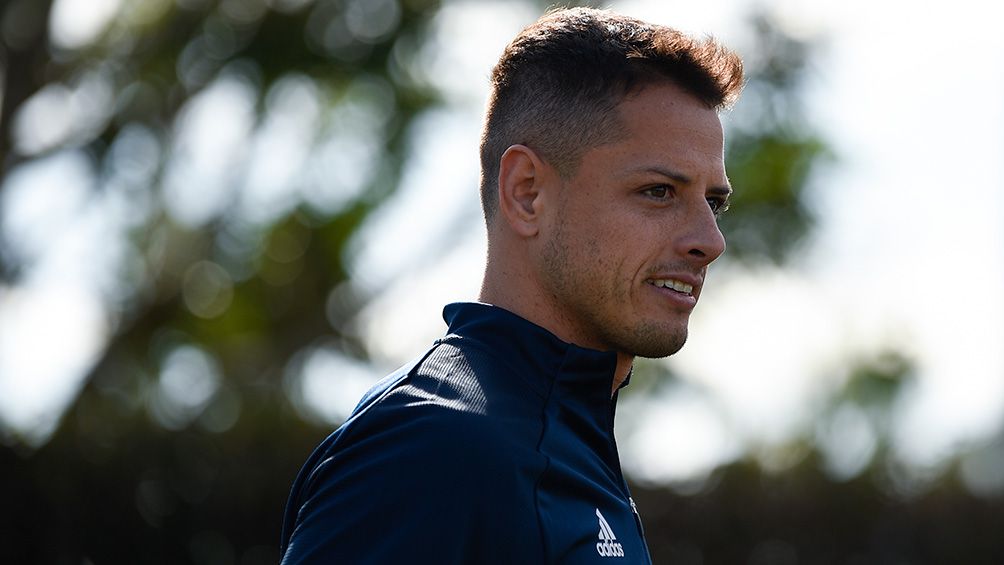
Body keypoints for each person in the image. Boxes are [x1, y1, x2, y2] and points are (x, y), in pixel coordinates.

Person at [279, 6, 743, 563]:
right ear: (527, 192)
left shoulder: (558, 445)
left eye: (713, 203)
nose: (709, 240)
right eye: (659, 192)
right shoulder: (433, 448)